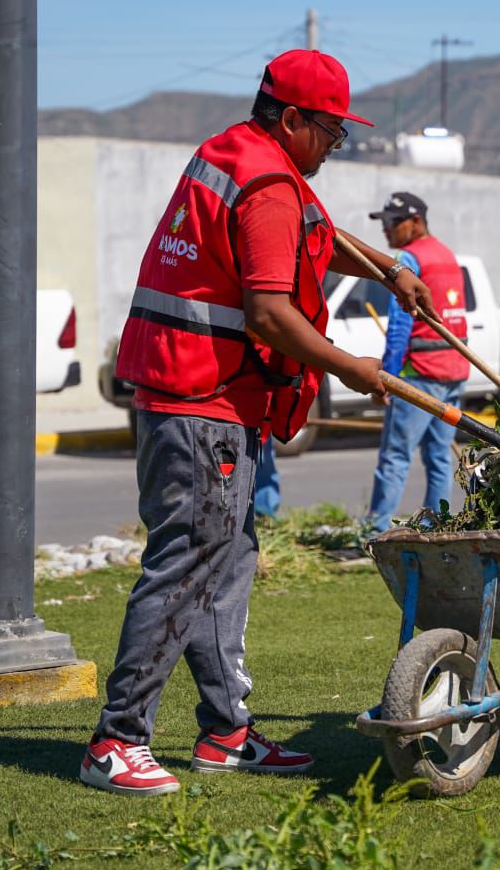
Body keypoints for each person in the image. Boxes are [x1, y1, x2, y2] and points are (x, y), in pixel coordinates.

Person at [80, 50, 434, 796]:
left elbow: (317, 233)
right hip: (201, 400)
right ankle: (116, 741)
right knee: (183, 567)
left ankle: (226, 733)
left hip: (189, 392)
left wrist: (390, 271)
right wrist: (351, 367)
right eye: (332, 131)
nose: (337, 144)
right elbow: (270, 314)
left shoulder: (237, 157)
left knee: (226, 561)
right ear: (293, 117)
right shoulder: (271, 182)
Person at [365, 192, 471, 533]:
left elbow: (400, 326)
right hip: (454, 371)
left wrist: (388, 377)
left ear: (416, 221)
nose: (386, 230)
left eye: (393, 223)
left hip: (420, 374)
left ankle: (375, 530)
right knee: (440, 457)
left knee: (395, 457)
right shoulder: (446, 255)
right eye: (384, 223)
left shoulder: (408, 258)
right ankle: (435, 527)